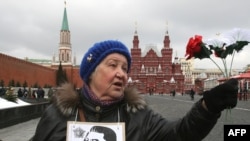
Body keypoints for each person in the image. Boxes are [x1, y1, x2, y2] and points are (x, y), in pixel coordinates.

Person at [32, 40, 239, 141]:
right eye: (113, 65)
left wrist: (207, 108)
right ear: (91, 73)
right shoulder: (57, 115)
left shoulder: (139, 116)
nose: (122, 73)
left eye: (125, 68)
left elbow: (179, 134)